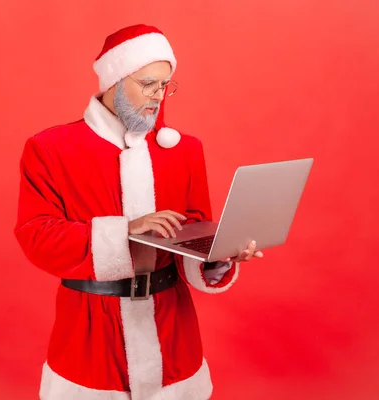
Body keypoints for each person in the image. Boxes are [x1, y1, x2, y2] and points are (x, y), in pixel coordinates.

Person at [14, 24, 264, 400]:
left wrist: (219, 257)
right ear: (114, 80)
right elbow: (36, 235)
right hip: (90, 332)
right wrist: (126, 231)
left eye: (166, 85)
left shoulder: (184, 150)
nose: (159, 96)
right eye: (149, 84)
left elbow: (191, 234)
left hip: (172, 328)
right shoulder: (50, 149)